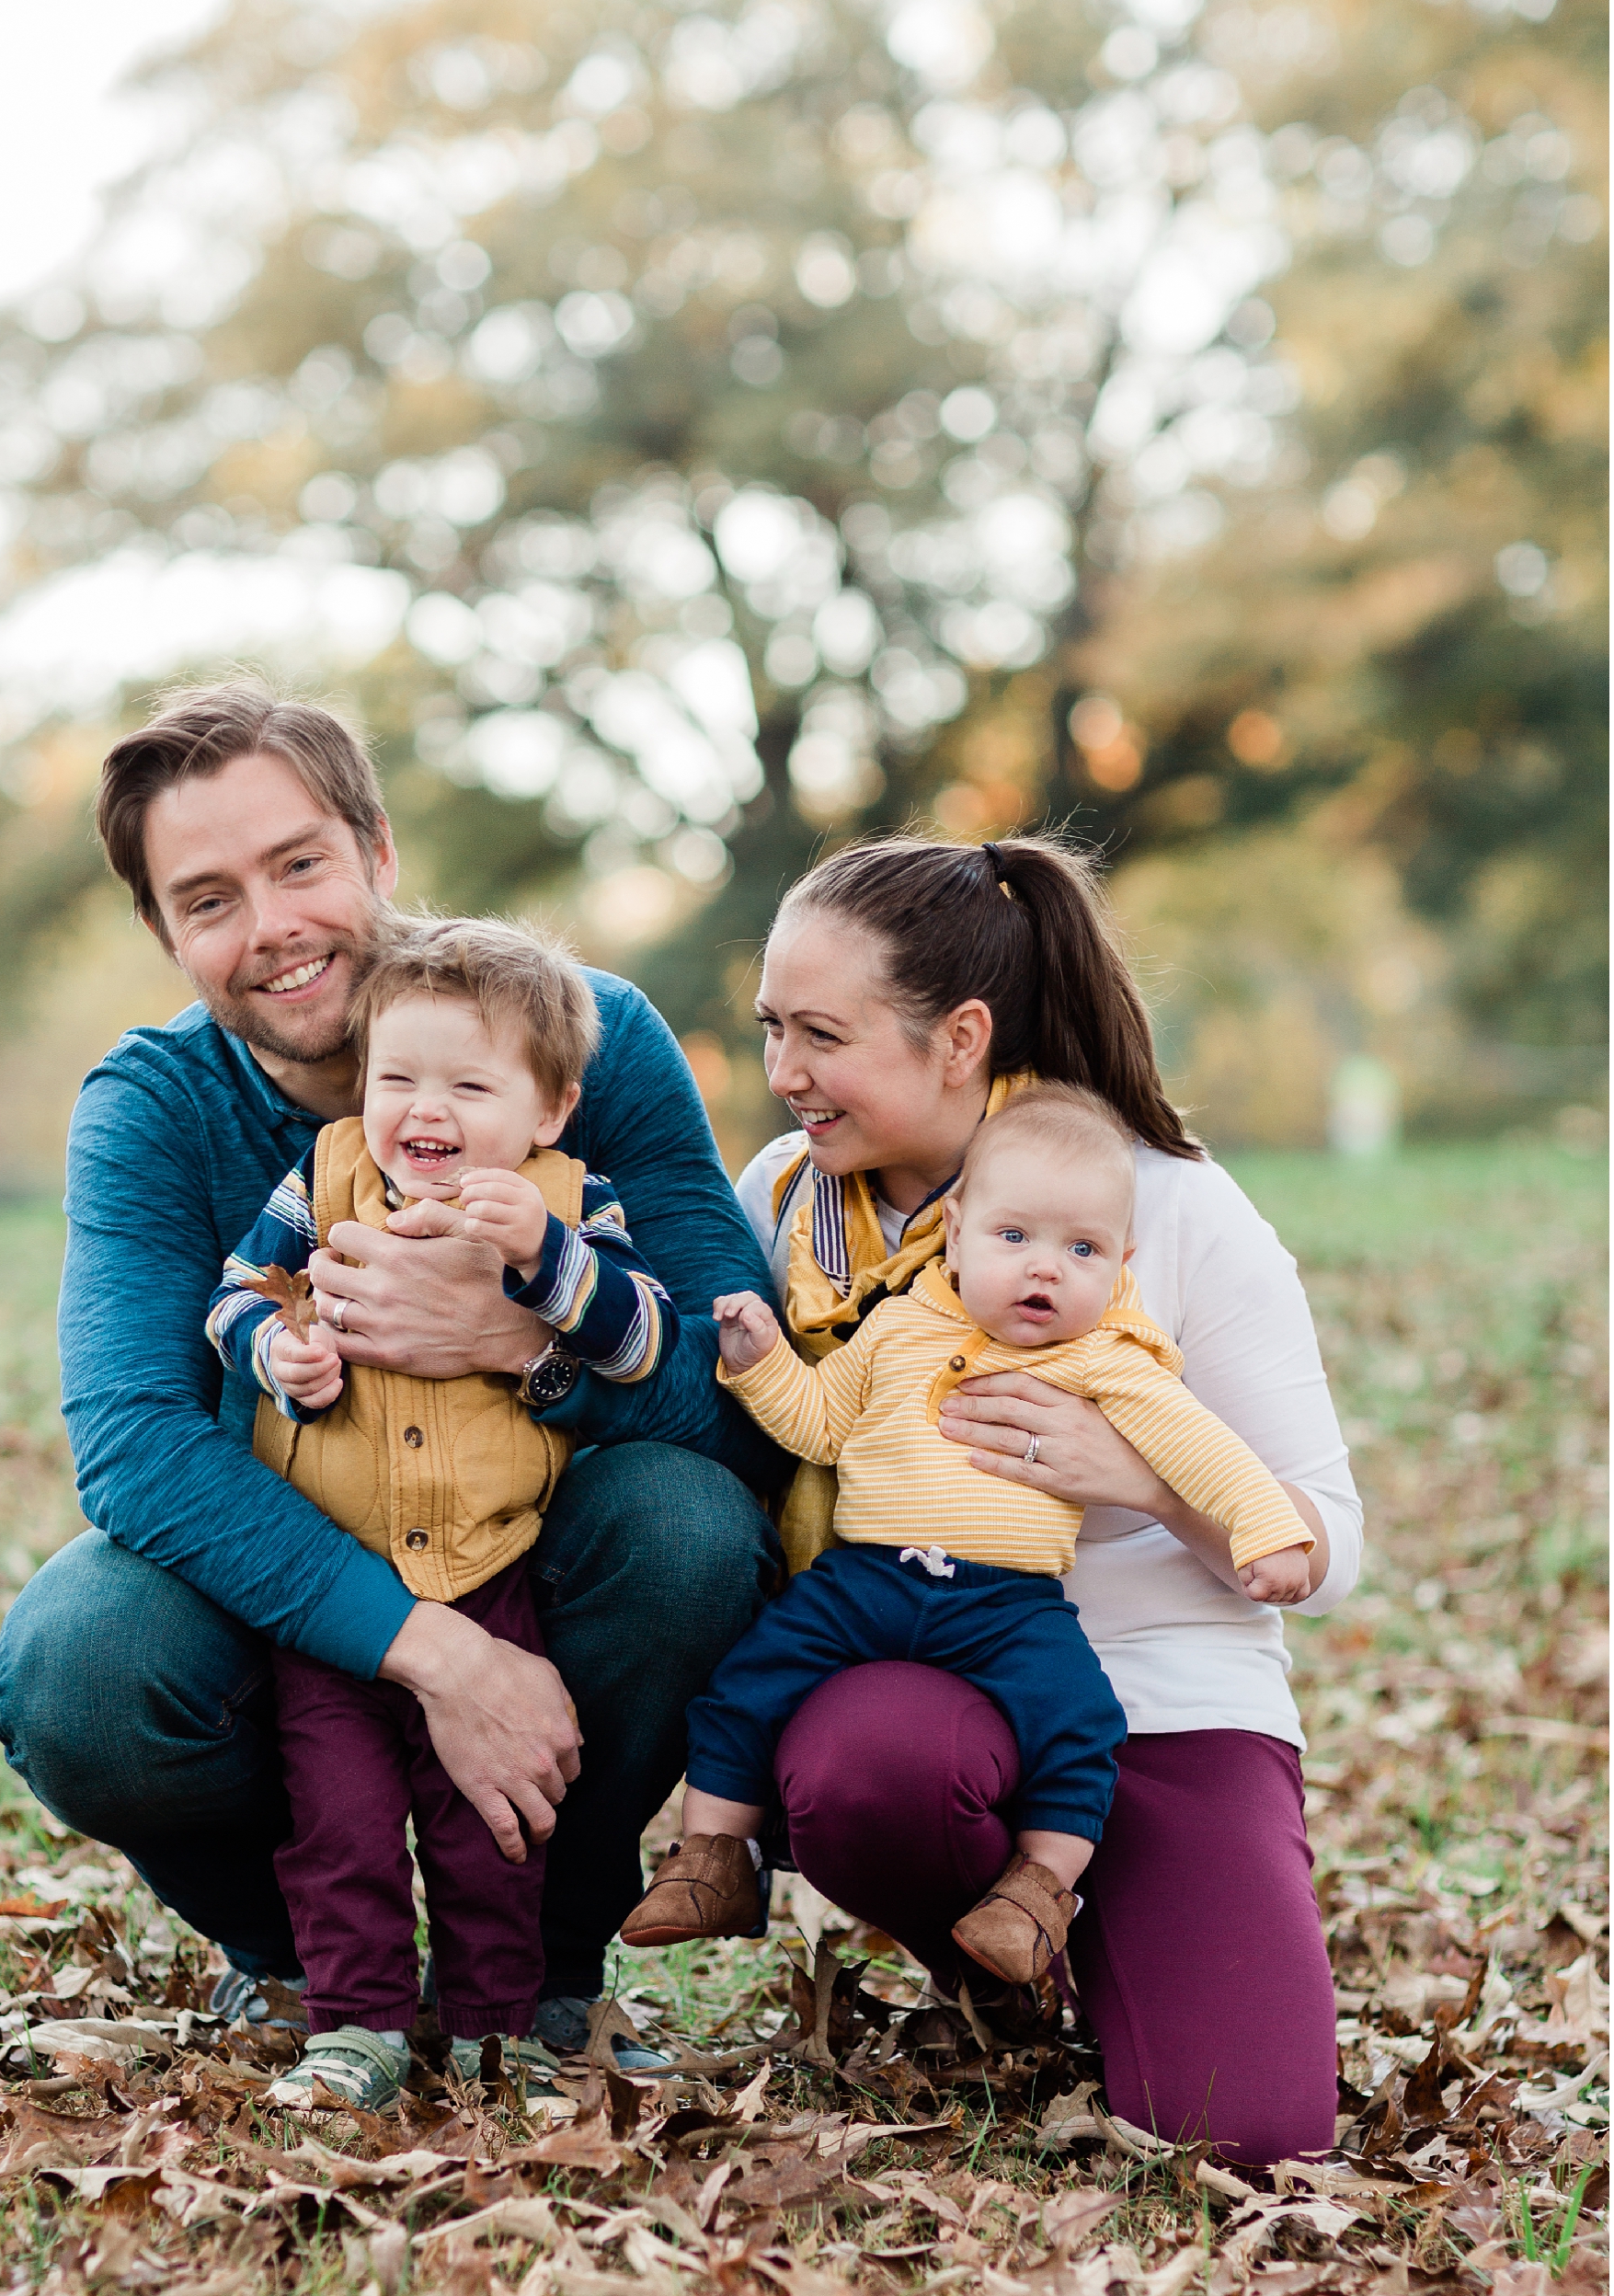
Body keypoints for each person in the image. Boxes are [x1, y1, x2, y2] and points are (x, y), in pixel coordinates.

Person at [0, 681, 784, 2065]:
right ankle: (306, 1969)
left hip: (529, 1547)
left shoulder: (586, 1038)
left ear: (378, 851)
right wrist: (435, 1657)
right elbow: (130, 1445)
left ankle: (542, 1969)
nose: (274, 927)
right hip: (291, 1589)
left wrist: (523, 1347)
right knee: (81, 1663)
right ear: (167, 934)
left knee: (690, 1526)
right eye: (211, 897)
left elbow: (742, 1388)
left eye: (300, 863)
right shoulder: (153, 1104)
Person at [715, 832, 1361, 2168]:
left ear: (959, 1038)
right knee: (866, 1769)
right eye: (773, 1028)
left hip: (1165, 1698)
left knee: (1245, 2132)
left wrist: (1134, 1479)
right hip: (923, 1666)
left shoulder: (1167, 1207)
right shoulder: (786, 1200)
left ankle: (1109, 1930)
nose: (785, 1075)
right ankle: (1002, 1953)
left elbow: (1326, 1537)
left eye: (822, 1036)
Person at [621, 1083, 1316, 1985]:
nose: (1044, 1269)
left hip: (1003, 1599)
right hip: (862, 1583)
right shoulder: (901, 1324)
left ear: (1120, 1263)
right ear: (954, 1232)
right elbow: (821, 1425)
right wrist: (759, 1365)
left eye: (1081, 1249)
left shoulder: (1104, 1355)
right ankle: (712, 1858)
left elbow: (1204, 1450)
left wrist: (1264, 1529)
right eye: (1013, 1236)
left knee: (1076, 1720)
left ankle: (1032, 1896)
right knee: (744, 1684)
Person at [207, 913, 679, 2109]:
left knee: (492, 1821)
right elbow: (236, 1295)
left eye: (468, 1084)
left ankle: (496, 2024)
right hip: (334, 1587)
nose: (425, 1108)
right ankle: (356, 2021)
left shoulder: (573, 1199)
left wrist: (547, 1263)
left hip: (490, 1562)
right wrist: (276, 1353)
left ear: (548, 1110)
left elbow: (640, 1340)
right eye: (396, 1077)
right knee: (342, 1822)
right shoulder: (322, 1180)